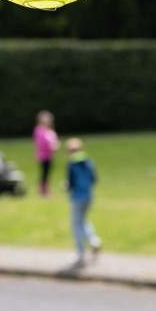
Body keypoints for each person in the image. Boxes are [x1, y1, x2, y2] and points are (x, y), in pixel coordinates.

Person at [65, 137, 101, 267]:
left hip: (77, 197)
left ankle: (80, 253)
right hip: (89, 196)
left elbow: (70, 183)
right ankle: (94, 241)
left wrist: (66, 186)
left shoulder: (72, 164)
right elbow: (94, 179)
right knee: (84, 220)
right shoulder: (89, 162)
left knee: (76, 225)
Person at [34, 111, 59, 199]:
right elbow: (42, 143)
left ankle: (46, 190)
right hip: (43, 155)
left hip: (49, 155)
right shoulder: (39, 130)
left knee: (47, 174)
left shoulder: (49, 131)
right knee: (44, 173)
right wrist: (51, 147)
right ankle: (43, 191)